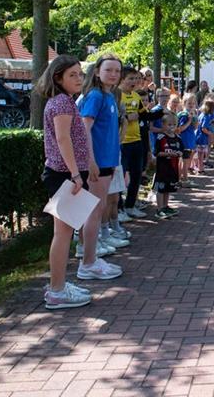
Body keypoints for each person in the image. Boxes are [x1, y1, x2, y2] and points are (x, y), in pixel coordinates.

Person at [38, 55, 96, 309]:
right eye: (72, 75)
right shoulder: (61, 103)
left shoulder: (65, 101)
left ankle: (58, 284)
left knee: (63, 232)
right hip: (64, 175)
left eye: (80, 74)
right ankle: (57, 291)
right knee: (62, 234)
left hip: (68, 173)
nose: (78, 79)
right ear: (57, 77)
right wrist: (75, 174)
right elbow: (63, 140)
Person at [76, 54, 125, 281]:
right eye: (109, 70)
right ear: (97, 72)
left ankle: (90, 258)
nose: (114, 74)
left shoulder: (109, 96)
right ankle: (88, 263)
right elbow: (84, 129)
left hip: (107, 161)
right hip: (98, 163)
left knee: (96, 209)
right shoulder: (95, 96)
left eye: (117, 70)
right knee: (94, 211)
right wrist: (91, 160)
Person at [118, 66, 147, 219]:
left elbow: (144, 115)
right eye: (131, 78)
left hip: (137, 140)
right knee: (120, 177)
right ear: (122, 79)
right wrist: (128, 117)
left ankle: (130, 206)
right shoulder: (116, 96)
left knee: (136, 175)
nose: (134, 81)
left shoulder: (136, 96)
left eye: (136, 78)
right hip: (122, 142)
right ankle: (118, 209)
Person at [153, 118, 182, 220]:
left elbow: (182, 150)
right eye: (169, 124)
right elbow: (157, 153)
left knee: (168, 188)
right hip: (162, 168)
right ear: (163, 125)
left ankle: (165, 206)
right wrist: (169, 154)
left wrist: (179, 153)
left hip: (173, 168)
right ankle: (159, 209)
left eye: (174, 124)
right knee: (160, 188)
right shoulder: (161, 138)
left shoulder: (177, 138)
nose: (172, 127)